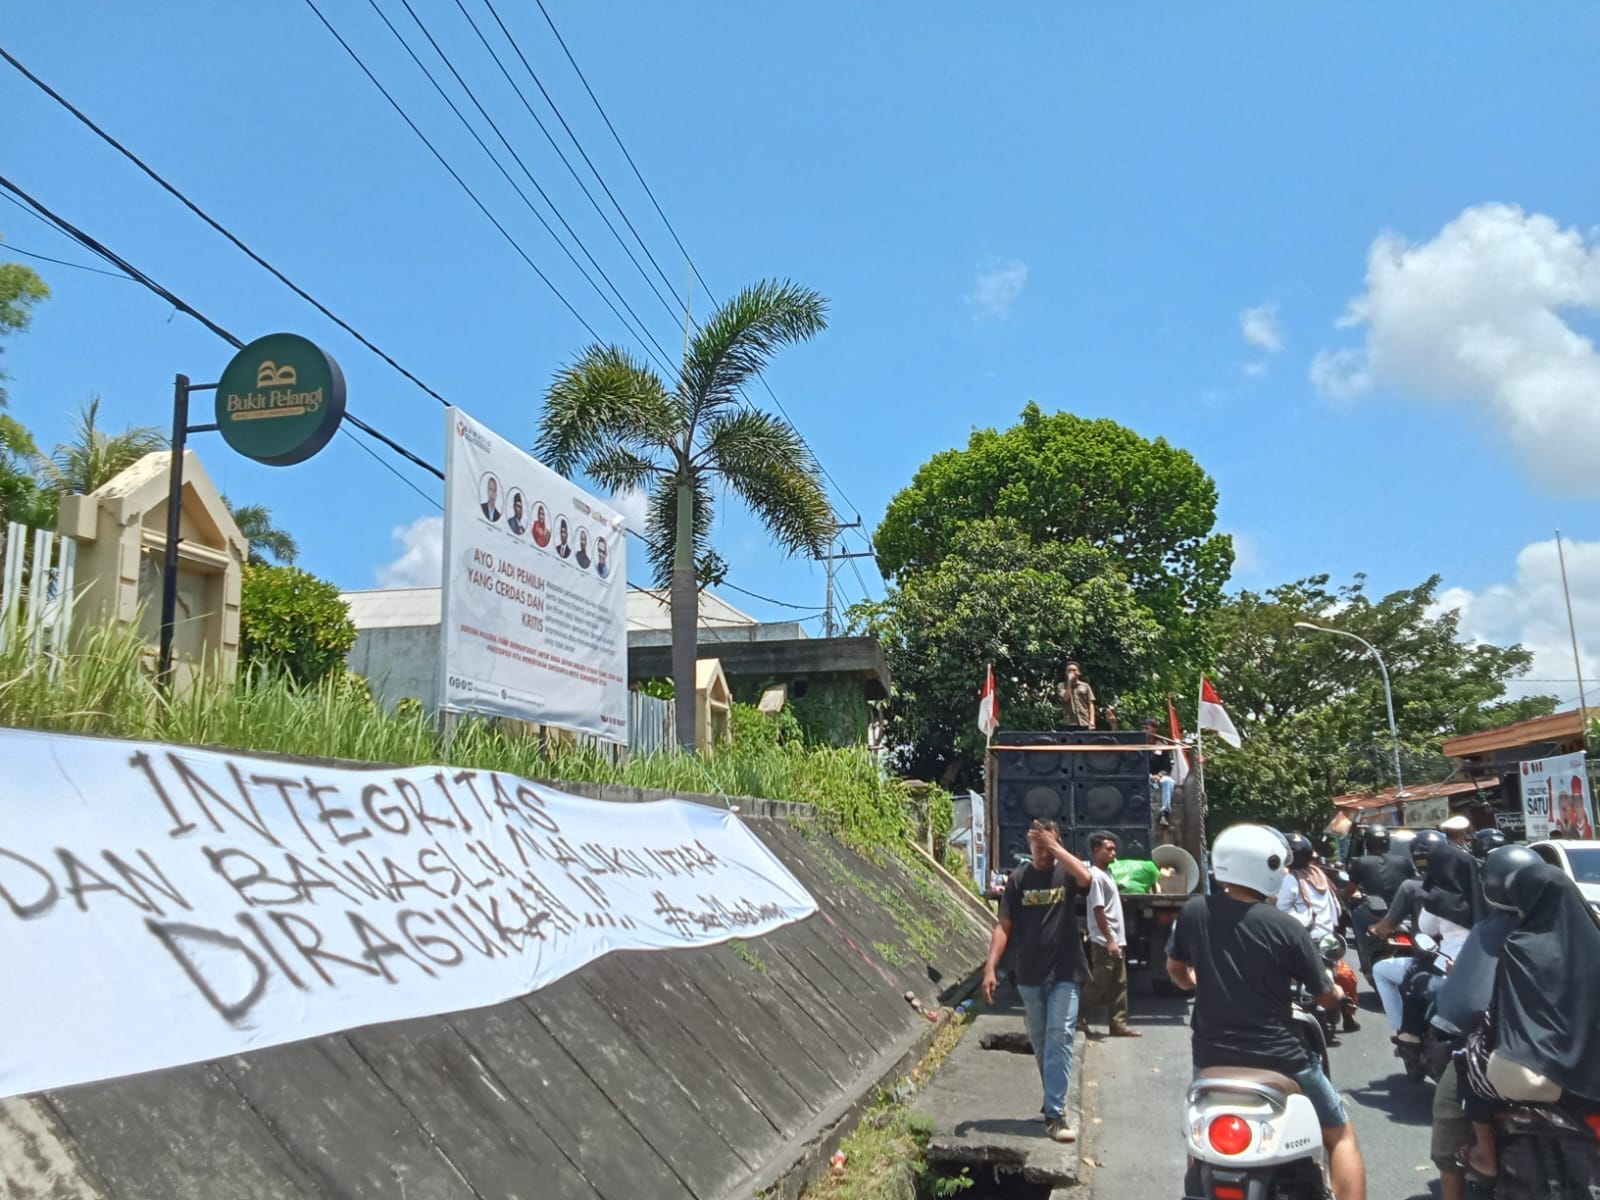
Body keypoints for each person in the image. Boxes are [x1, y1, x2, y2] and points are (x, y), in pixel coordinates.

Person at [1167, 824, 1366, 1200]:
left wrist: (1199, 982)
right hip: (1282, 1059)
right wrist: (1337, 992)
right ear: (1269, 867)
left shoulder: (1194, 911)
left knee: (1199, 1144)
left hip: (1211, 1058)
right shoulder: (1287, 928)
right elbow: (1324, 997)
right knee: (1339, 1135)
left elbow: (1177, 972)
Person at [1455, 860, 1600, 1181]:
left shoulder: (1522, 946)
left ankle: (1485, 1152)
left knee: (1466, 1056)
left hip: (1538, 1075)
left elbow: (1501, 1011)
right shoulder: (1595, 942)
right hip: (1591, 1076)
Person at [1426, 845, 1538, 1200]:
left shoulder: (1490, 931)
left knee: (1448, 1116)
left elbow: (1463, 1005)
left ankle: (1478, 1164)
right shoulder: (1573, 926)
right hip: (1572, 1056)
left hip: (1503, 1054)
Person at [981, 818, 1093, 1144]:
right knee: (1043, 1043)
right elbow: (1003, 926)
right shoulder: (1018, 881)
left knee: (1060, 1038)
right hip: (1029, 973)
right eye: (1037, 844)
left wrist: (1056, 847)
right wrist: (991, 967)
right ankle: (1052, 1096)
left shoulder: (1066, 874)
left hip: (1066, 970)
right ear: (1028, 845)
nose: (1043, 851)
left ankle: (1056, 1114)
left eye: (1048, 843)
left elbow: (1086, 877)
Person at [1277, 833, 1358, 1032]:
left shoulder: (1288, 879)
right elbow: (1336, 910)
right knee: (1346, 976)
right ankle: (1349, 1013)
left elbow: (1278, 912)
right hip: (1326, 942)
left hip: (1299, 943)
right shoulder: (1319, 874)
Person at [1080, 830, 1140, 1038]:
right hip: (1105, 940)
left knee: (1119, 983)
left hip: (1116, 938)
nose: (1114, 853)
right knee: (1099, 981)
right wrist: (1110, 940)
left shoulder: (1107, 874)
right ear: (1096, 851)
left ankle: (1118, 1025)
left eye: (1114, 849)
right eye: (1108, 849)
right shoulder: (1096, 876)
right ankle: (1078, 1016)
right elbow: (1098, 909)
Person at [1345, 824, 1415, 978]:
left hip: (1375, 912)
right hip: (1403, 912)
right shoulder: (1403, 861)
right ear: (1387, 842)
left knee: (1356, 913)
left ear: (1367, 843)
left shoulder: (1360, 862)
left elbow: (1350, 890)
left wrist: (1348, 895)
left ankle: (1365, 961)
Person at [1140, 717, 1177, 826]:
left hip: (1157, 777)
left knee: (1169, 781)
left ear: (1155, 730)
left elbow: (1166, 767)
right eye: (1143, 728)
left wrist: (1159, 775)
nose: (1144, 731)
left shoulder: (1161, 746)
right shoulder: (1137, 743)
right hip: (1142, 776)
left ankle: (1164, 813)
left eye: (1147, 728)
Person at [1060, 661, 1095, 731]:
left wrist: (1092, 720)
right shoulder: (1061, 686)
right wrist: (1069, 682)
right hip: (1069, 723)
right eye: (1069, 670)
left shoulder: (1085, 686)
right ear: (1066, 673)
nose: (1071, 672)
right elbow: (1066, 698)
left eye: (1074, 670)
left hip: (1084, 721)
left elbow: (1090, 704)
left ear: (1079, 672)